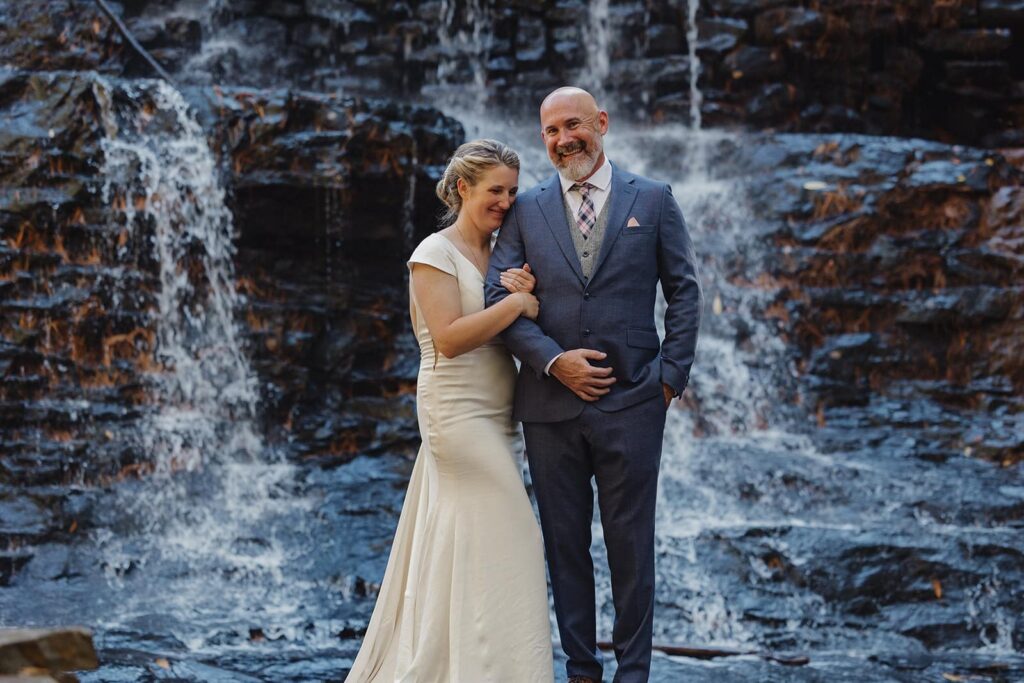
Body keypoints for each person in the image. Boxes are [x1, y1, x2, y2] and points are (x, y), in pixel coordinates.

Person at [484, 87, 703, 683]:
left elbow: (683, 291)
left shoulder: (653, 200)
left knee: (631, 550)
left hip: (634, 402)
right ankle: (582, 671)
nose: (563, 140)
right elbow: (497, 299)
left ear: (601, 123)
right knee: (564, 548)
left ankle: (634, 674)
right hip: (549, 407)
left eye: (573, 125)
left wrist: (670, 377)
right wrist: (556, 362)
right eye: (551, 131)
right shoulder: (525, 210)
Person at [346, 139, 554, 682]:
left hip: (498, 414)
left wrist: (523, 290)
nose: (507, 202)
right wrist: (515, 303)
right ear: (462, 188)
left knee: (469, 547)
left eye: (512, 191)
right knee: (519, 541)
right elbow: (449, 337)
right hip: (456, 415)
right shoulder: (432, 253)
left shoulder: (501, 253)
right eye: (494, 191)